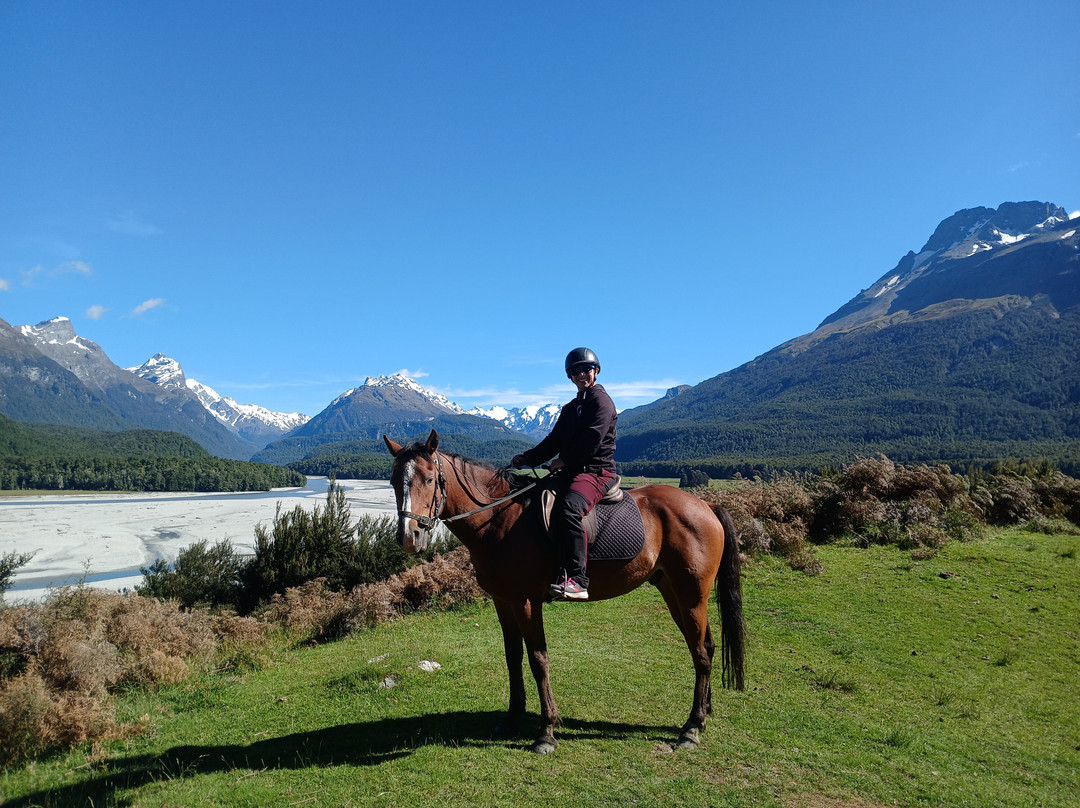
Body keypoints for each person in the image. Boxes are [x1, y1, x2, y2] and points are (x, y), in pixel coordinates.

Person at [511, 347, 618, 601]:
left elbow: (592, 440)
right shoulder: (571, 408)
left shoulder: (601, 402)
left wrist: (564, 461)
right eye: (575, 371)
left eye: (585, 369)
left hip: (596, 473)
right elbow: (554, 440)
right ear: (570, 376)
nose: (580, 374)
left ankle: (578, 580)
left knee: (569, 508)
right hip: (572, 471)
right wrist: (529, 458)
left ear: (596, 371)